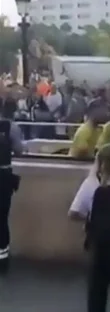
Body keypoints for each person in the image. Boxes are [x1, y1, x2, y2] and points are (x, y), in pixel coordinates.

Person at [68, 144, 110, 312]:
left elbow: (73, 213)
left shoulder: (90, 183)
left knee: (97, 289)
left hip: (98, 241)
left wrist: (93, 218)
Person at [0, 99, 25, 274]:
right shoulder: (10, 127)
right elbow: (19, 150)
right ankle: (2, 261)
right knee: (2, 219)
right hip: (3, 177)